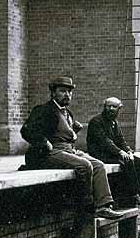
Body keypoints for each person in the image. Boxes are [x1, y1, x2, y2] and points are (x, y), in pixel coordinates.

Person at [21, 76, 125, 219]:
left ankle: (104, 206)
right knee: (84, 165)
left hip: (69, 150)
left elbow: (64, 131)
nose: (67, 95)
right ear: (53, 93)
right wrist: (43, 141)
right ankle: (86, 207)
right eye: (62, 91)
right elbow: (26, 130)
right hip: (50, 153)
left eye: (69, 92)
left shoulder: (67, 113)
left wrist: (73, 132)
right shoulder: (44, 110)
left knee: (99, 165)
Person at [87, 97, 140, 207]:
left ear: (119, 109)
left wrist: (128, 151)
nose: (111, 109)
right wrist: (120, 152)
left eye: (114, 107)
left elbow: (121, 140)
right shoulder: (96, 122)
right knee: (127, 161)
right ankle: (134, 195)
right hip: (100, 154)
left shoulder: (114, 123)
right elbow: (105, 141)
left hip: (112, 153)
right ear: (104, 107)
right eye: (108, 106)